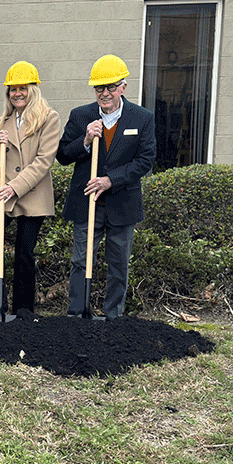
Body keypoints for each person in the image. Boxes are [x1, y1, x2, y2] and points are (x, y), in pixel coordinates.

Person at [57, 54, 156, 319]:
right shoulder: (81, 116)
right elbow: (63, 155)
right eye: (100, 88)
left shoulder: (142, 118)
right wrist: (86, 140)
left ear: (123, 87)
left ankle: (113, 317)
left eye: (111, 87)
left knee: (118, 265)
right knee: (80, 261)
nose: (105, 93)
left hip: (122, 204)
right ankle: (77, 315)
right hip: (87, 203)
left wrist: (111, 180)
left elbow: (145, 160)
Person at [0, 61, 61, 315]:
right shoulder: (4, 119)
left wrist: (14, 188)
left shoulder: (49, 118)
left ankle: (24, 307)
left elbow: (43, 162)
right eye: (12, 89)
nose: (17, 93)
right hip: (1, 193)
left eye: (22, 88)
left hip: (31, 194)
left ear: (33, 89)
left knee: (24, 250)